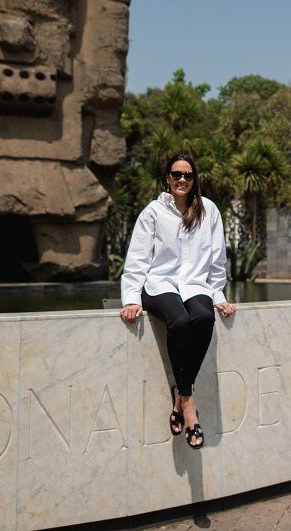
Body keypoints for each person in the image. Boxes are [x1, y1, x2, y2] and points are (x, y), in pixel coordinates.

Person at [120, 153, 235, 449]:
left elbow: (217, 260)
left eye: (187, 175)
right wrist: (132, 298)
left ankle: (180, 393)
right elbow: (137, 258)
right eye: (176, 175)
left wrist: (218, 294)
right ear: (167, 179)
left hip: (194, 283)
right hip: (160, 284)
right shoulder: (153, 212)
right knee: (181, 322)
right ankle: (189, 404)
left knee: (204, 317)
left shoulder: (209, 210)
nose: (181, 180)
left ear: (194, 180)